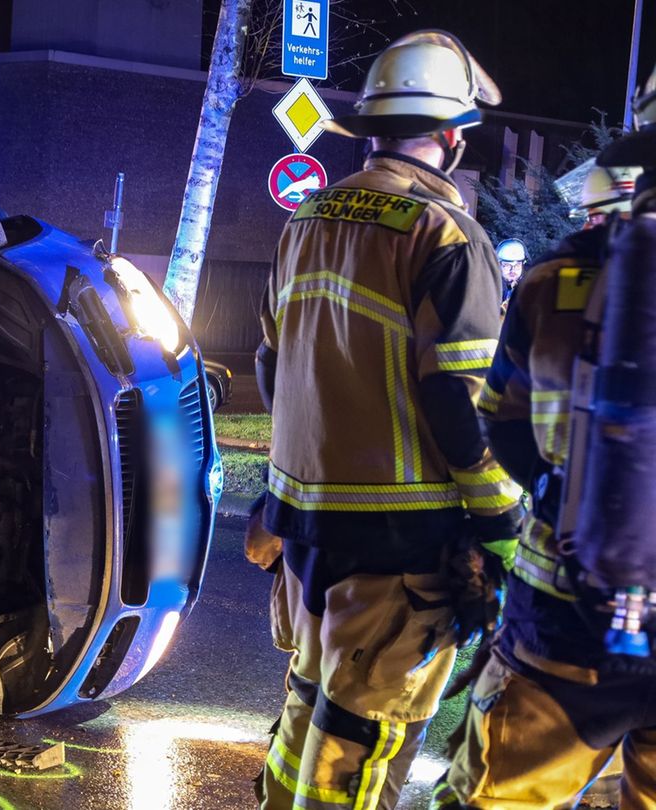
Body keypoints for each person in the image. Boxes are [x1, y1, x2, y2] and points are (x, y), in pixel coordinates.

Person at [253, 30, 523, 810]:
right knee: (363, 746)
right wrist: (500, 517)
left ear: (369, 129)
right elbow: (458, 398)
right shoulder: (444, 234)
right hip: (402, 548)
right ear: (452, 136)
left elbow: (275, 368)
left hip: (305, 532)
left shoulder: (303, 222)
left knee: (306, 716)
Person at [430, 77, 656, 810]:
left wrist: (575, 500)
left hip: (563, 621)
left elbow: (500, 421)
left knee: (500, 798)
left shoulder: (553, 283)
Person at [496, 238, 528, 307]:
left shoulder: (531, 287)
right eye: (507, 265)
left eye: (517, 265)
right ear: (498, 265)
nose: (512, 270)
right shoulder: (490, 287)